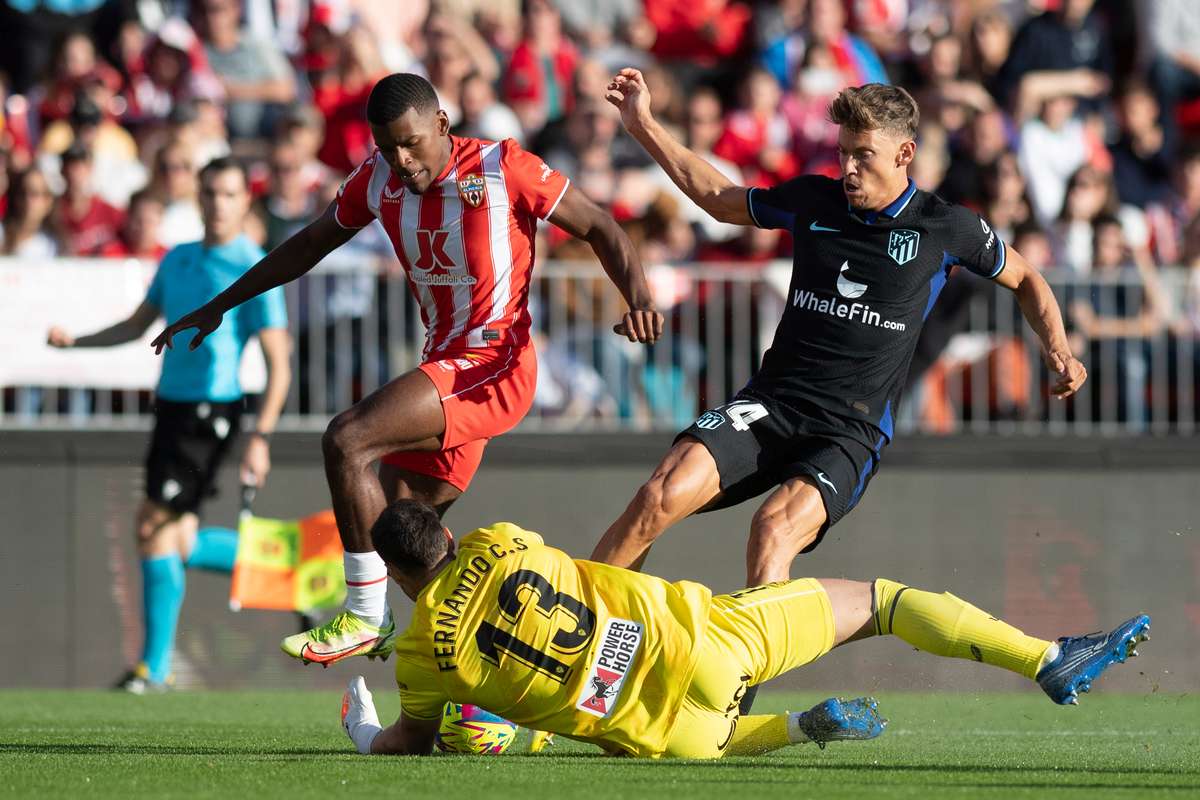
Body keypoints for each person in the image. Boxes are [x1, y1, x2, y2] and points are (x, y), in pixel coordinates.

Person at [590, 74, 1088, 715]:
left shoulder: (946, 227)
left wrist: (1059, 348)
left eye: (864, 156)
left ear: (904, 155)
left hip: (850, 430)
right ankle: (576, 652)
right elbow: (717, 197)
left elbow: (1026, 278)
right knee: (659, 495)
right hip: (772, 401)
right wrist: (643, 126)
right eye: (844, 153)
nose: (848, 169)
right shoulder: (815, 201)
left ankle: (731, 706)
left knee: (772, 532)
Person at [150, 73, 663, 667]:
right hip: (444, 365)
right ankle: (494, 679)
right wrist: (219, 305)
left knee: (347, 439)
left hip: (493, 362)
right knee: (402, 536)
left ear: (442, 126)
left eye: (411, 143)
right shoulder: (376, 181)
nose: (400, 159)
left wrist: (641, 298)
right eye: (387, 146)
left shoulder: (504, 168)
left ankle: (364, 616)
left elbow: (600, 224)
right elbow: (309, 244)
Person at [337, 498, 1150, 759]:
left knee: (701, 740)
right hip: (705, 639)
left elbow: (409, 740)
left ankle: (803, 726)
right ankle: (1046, 656)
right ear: (447, 537)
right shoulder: (498, 539)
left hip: (678, 733)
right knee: (884, 603)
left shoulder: (417, 655)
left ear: (402, 578)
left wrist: (363, 729)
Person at [47, 158, 292, 693]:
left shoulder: (255, 267)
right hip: (171, 408)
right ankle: (288, 574)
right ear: (197, 198)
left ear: (244, 202)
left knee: (151, 527)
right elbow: (138, 325)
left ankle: (151, 670)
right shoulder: (178, 259)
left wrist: (262, 438)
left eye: (228, 194)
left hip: (211, 411)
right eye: (209, 193)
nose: (217, 204)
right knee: (174, 540)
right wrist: (77, 342)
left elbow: (280, 365)